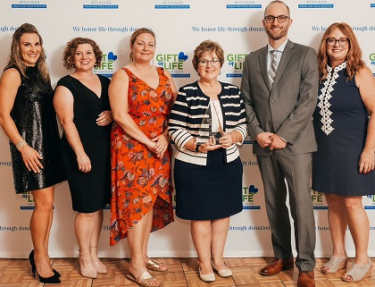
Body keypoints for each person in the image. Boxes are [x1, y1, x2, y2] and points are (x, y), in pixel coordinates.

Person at [240, 1, 319, 287]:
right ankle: (282, 255)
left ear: (289, 21)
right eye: (270, 18)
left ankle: (306, 266)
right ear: (264, 23)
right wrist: (258, 131)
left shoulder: (306, 55)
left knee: (301, 204)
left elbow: (308, 100)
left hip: (295, 144)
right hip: (263, 144)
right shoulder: (251, 60)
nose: (276, 22)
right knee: (274, 204)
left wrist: (283, 135)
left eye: (281, 17)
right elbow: (246, 101)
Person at [168, 40, 247, 283]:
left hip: (227, 163)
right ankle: (204, 264)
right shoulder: (186, 92)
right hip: (193, 165)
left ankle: (218, 259)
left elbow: (243, 125)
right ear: (196, 65)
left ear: (221, 65)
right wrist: (196, 144)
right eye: (203, 61)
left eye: (213, 60)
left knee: (223, 214)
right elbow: (174, 128)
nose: (209, 65)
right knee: (201, 215)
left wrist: (233, 136)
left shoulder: (233, 92)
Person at [109, 28, 177, 287]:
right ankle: (135, 265)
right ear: (132, 46)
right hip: (132, 149)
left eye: (151, 44)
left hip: (159, 147)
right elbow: (120, 116)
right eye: (141, 43)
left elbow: (177, 110)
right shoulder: (122, 75)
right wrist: (149, 141)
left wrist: (166, 137)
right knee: (136, 206)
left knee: (149, 203)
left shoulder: (164, 74)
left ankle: (143, 256)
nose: (146, 48)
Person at [0, 23, 64, 284]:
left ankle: (42, 254)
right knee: (44, 205)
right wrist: (22, 146)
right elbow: (3, 115)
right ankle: (39, 259)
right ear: (17, 46)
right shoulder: (13, 74)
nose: (33, 49)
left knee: (48, 206)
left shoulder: (40, 74)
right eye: (27, 44)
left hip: (48, 146)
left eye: (37, 44)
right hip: (29, 148)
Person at [313, 22, 375, 282]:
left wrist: (370, 150)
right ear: (324, 44)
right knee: (334, 202)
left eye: (342, 40)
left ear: (350, 44)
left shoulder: (359, 71)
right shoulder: (319, 73)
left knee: (352, 203)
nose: (336, 44)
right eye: (331, 40)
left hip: (353, 148)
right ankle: (339, 253)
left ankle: (363, 259)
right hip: (324, 149)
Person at [53, 37, 112, 279]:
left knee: (97, 206)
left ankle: (94, 253)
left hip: (104, 150)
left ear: (96, 56)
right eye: (79, 53)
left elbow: (117, 109)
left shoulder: (106, 82)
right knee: (86, 209)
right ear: (71, 57)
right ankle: (84, 256)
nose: (84, 57)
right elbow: (66, 122)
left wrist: (111, 112)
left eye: (89, 52)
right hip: (80, 151)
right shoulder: (66, 85)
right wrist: (80, 153)